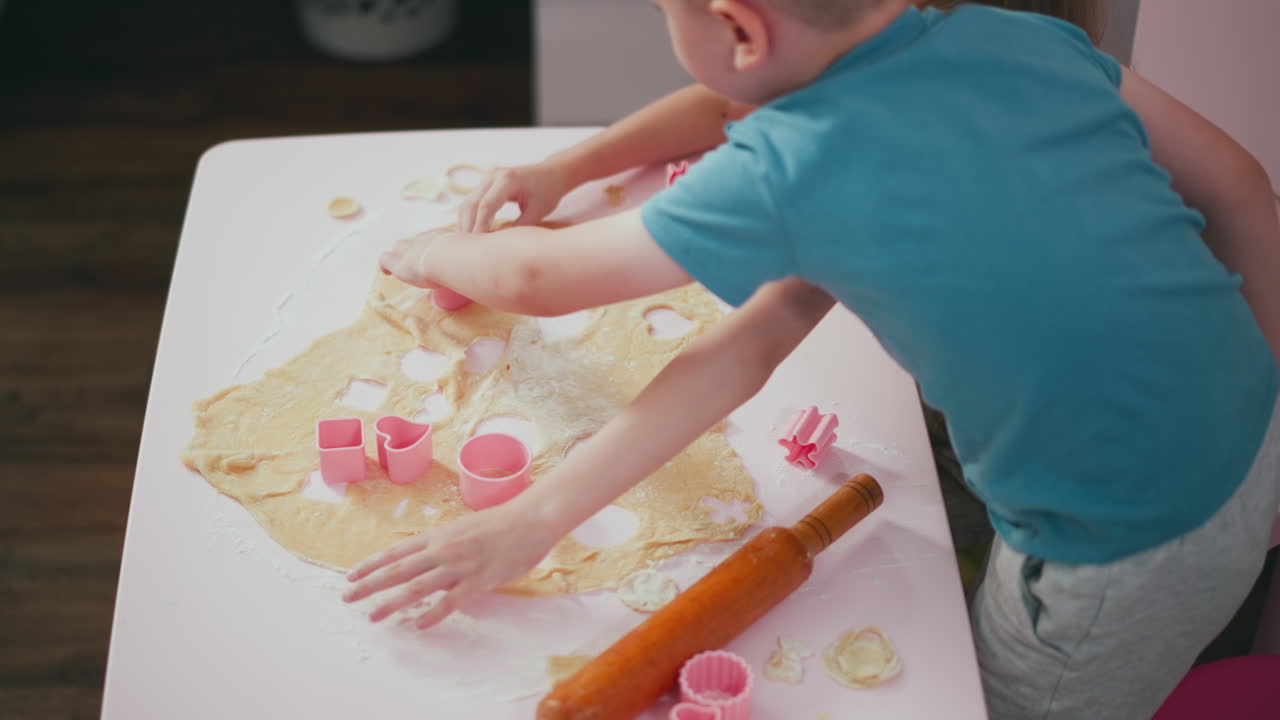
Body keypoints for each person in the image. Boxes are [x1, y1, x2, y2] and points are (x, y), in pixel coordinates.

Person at [345, 0, 1280, 716]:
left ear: (738, 27)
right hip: (1252, 419)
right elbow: (1243, 190)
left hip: (1123, 544)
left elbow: (540, 275)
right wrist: (570, 168)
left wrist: (424, 252)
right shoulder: (1015, 38)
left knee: (987, 702)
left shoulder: (801, 166)